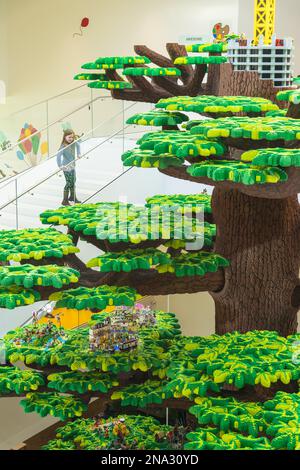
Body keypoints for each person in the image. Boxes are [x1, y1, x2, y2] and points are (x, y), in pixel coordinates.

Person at [57, 129, 82, 205]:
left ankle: (72, 197)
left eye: (72, 137)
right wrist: (60, 165)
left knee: (73, 180)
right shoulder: (63, 146)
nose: (71, 139)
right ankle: (64, 200)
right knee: (68, 183)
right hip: (66, 168)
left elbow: (78, 145)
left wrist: (79, 154)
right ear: (65, 137)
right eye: (69, 137)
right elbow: (58, 156)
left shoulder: (74, 143)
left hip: (73, 166)